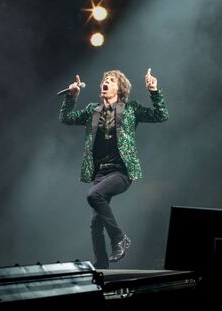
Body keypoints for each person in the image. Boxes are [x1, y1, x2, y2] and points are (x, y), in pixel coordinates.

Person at [59, 68, 168, 269]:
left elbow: (161, 115)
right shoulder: (93, 110)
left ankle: (119, 238)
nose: (105, 82)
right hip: (100, 172)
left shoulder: (130, 108)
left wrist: (154, 91)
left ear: (120, 88)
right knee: (95, 225)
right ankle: (101, 265)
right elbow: (65, 118)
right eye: (104, 80)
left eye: (111, 80)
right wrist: (71, 97)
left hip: (121, 172)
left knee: (93, 196)